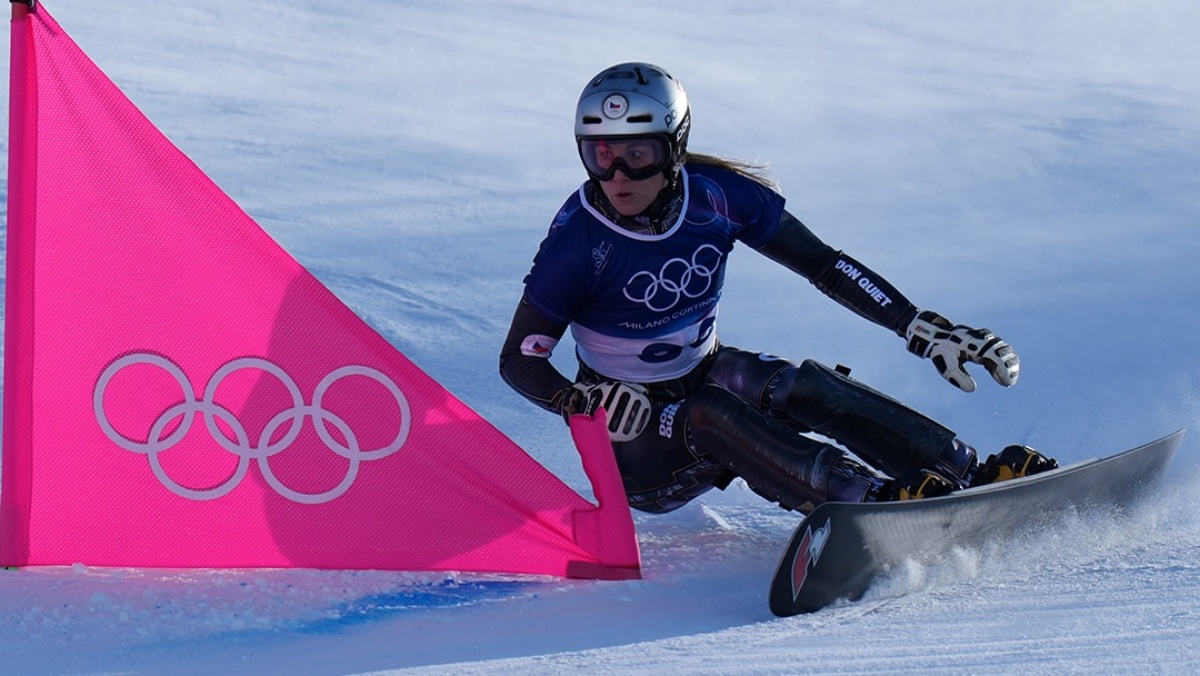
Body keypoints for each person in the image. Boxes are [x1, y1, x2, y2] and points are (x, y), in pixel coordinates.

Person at [499, 62, 1056, 515]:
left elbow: (824, 265)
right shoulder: (577, 241)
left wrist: (914, 325)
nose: (617, 176)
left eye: (637, 154)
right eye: (601, 154)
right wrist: (580, 401)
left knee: (803, 386)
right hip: (637, 440)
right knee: (710, 411)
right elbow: (519, 360)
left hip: (702, 372)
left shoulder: (717, 197)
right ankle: (868, 503)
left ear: (674, 147)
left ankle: (970, 472)